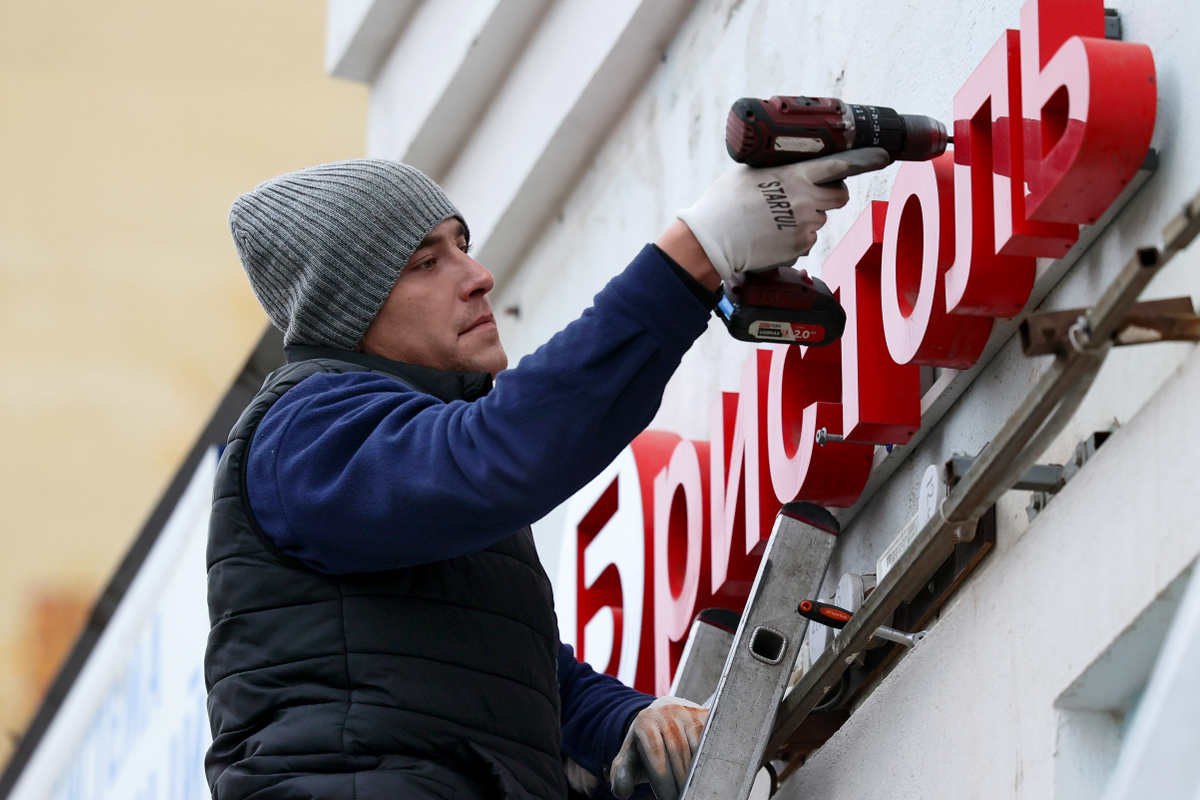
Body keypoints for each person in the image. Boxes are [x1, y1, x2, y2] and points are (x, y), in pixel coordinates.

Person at [205, 149, 888, 800]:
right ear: (346, 309)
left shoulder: (402, 471)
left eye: (461, 245)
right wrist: (696, 254)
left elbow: (495, 670)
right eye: (423, 263)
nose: (476, 275)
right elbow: (504, 451)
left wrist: (622, 722)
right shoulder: (306, 433)